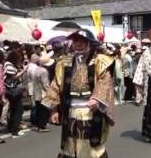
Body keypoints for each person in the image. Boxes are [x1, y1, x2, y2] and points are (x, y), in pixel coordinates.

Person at [42, 28, 115, 158]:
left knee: (90, 144)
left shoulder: (100, 60)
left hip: (91, 109)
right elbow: (56, 85)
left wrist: (97, 98)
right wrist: (54, 109)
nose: (78, 43)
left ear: (89, 42)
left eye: (82, 40)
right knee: (70, 142)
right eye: (76, 40)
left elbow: (105, 81)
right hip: (70, 109)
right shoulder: (64, 62)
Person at [4, 50, 28, 138]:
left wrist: (22, 66)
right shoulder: (8, 65)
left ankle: (11, 128)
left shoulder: (12, 64)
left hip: (13, 90)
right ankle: (14, 130)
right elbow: (14, 76)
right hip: (12, 90)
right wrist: (24, 70)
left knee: (13, 109)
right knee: (18, 110)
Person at [33, 54, 54, 132]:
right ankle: (42, 126)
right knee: (43, 110)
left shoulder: (37, 69)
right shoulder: (44, 71)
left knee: (38, 109)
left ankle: (37, 125)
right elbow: (45, 84)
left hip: (36, 91)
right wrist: (50, 92)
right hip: (42, 93)